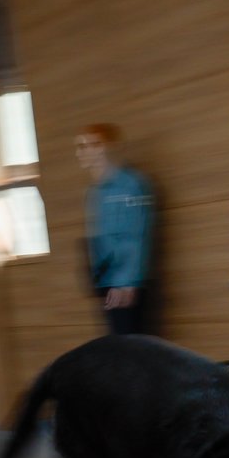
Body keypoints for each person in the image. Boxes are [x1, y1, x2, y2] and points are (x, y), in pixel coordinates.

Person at [76, 124, 155, 335]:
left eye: (84, 146)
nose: (79, 152)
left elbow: (135, 235)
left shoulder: (129, 185)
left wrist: (126, 284)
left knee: (133, 354)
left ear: (101, 148)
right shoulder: (95, 191)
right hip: (106, 283)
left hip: (125, 286)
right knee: (117, 353)